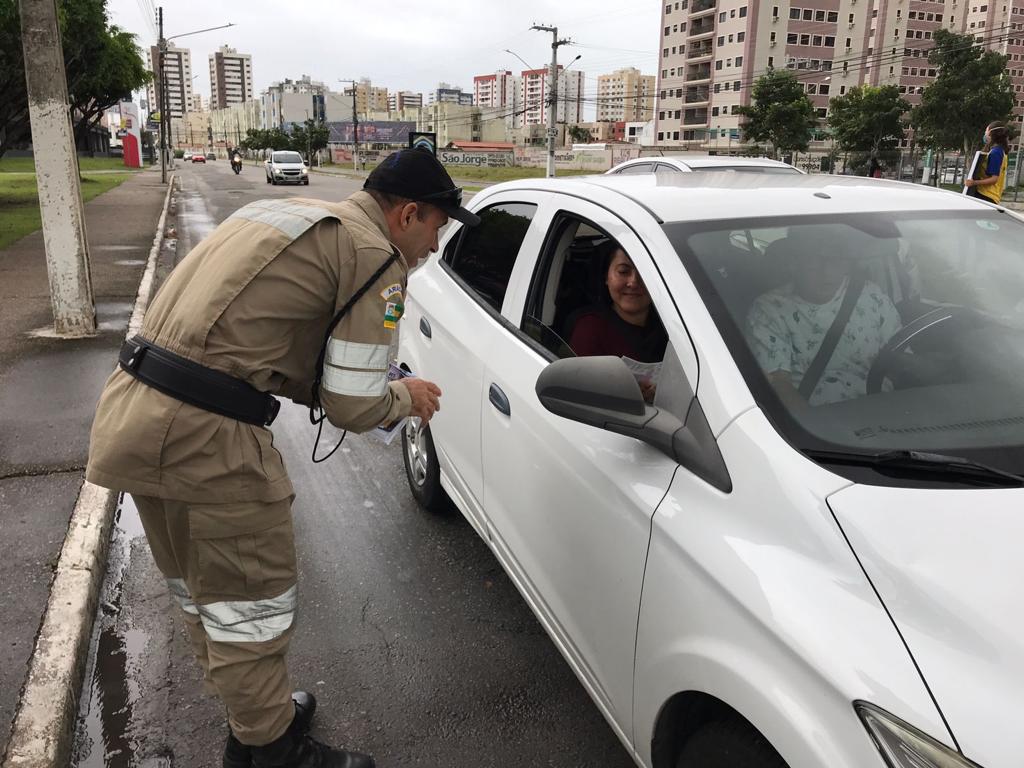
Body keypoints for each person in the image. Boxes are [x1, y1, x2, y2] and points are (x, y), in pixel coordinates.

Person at [86, 148, 480, 768]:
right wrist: (406, 396)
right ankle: (274, 752)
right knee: (251, 604)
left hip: (133, 412)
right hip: (206, 438)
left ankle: (255, 721)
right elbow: (353, 404)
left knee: (204, 595)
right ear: (408, 215)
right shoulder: (377, 258)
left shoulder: (284, 213)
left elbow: (255, 332)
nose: (436, 245)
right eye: (438, 227)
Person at [746, 228, 901, 407]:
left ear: (848, 264)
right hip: (820, 423)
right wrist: (810, 430)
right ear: (795, 263)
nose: (827, 271)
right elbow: (778, 385)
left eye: (837, 260)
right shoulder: (770, 310)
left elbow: (898, 359)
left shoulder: (871, 295)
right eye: (816, 260)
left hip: (884, 414)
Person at [568, 240, 667, 401]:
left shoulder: (677, 327)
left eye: (644, 272)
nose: (633, 282)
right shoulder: (589, 330)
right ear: (606, 277)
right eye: (623, 271)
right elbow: (581, 399)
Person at [965, 122, 1010, 204]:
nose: (985, 134)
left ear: (991, 133)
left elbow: (994, 179)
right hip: (989, 196)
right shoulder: (1000, 151)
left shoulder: (995, 152)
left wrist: (974, 182)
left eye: (986, 131)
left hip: (986, 196)